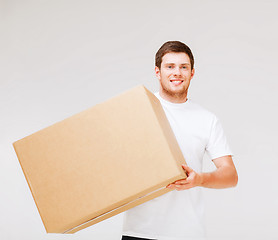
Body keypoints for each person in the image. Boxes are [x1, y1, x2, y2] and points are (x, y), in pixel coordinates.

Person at [121, 41, 238, 240]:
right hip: (140, 231)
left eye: (183, 67)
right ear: (157, 72)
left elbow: (230, 175)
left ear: (192, 73)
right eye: (170, 67)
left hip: (186, 233)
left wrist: (199, 179)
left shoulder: (207, 119)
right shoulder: (138, 110)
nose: (177, 72)